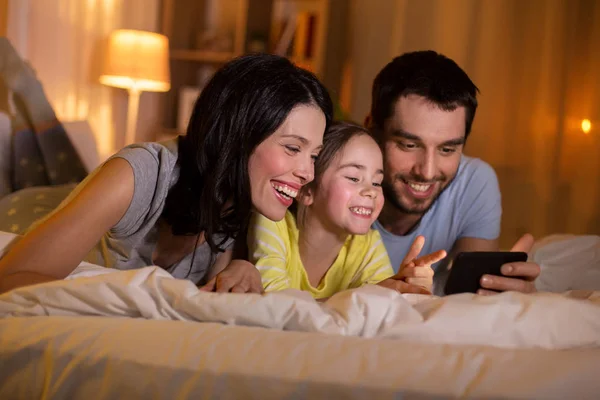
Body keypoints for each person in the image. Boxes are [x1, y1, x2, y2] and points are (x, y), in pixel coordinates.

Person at [0, 52, 333, 294]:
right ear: (238, 135)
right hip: (24, 208)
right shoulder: (136, 175)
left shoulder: (242, 201)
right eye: (292, 148)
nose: (307, 172)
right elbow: (11, 278)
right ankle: (28, 97)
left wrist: (239, 269)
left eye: (314, 155)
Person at [366, 50, 540, 295]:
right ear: (372, 130)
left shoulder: (475, 182)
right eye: (409, 145)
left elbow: (469, 295)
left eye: (447, 149)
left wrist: (505, 293)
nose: (426, 172)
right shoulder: (331, 177)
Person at [247, 121, 446, 299]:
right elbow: (276, 305)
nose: (371, 192)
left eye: (377, 182)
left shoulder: (368, 246)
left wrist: (406, 290)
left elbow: (379, 309)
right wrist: (367, 298)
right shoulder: (272, 223)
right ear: (307, 190)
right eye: (353, 178)